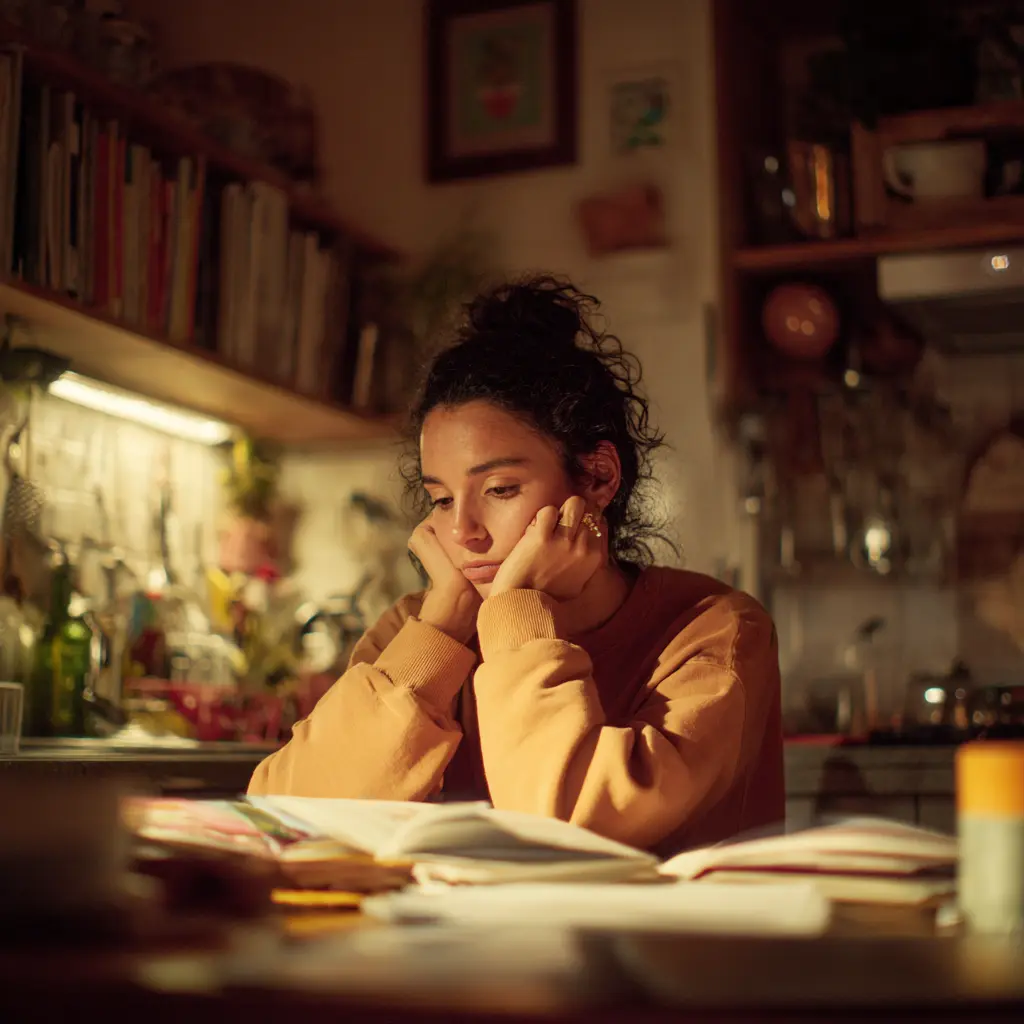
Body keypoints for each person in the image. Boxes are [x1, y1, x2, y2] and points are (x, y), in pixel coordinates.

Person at [249, 276, 784, 856]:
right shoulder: (418, 630)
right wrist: (439, 638)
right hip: (448, 945)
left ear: (599, 477)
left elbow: (572, 833)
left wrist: (516, 615)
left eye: (500, 489)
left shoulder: (715, 630)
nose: (462, 532)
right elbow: (286, 820)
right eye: (443, 499)